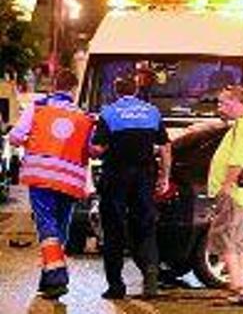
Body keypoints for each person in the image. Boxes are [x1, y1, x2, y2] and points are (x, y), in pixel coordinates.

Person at [8, 69, 94, 299]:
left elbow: (15, 137)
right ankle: (48, 281)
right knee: (60, 227)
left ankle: (57, 276)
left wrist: (30, 141)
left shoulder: (38, 107)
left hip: (42, 174)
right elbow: (92, 149)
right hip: (70, 179)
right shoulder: (84, 117)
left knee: (47, 224)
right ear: (74, 89)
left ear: (54, 84)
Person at [91, 76, 171, 299]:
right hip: (144, 177)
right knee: (146, 226)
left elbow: (97, 149)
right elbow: (165, 147)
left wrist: (91, 148)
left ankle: (116, 286)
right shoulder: (152, 112)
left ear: (116, 91)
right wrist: (165, 176)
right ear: (136, 90)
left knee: (113, 229)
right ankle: (151, 272)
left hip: (115, 177)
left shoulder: (108, 113)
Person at [206, 85, 243, 306]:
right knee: (235, 240)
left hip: (234, 192)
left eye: (223, 103)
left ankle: (239, 289)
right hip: (239, 192)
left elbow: (239, 159)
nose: (220, 107)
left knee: (226, 238)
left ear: (237, 102)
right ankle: (239, 287)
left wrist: (227, 184)